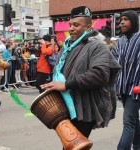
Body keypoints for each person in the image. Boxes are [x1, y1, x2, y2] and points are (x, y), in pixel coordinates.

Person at [40, 5, 121, 147]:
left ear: (89, 27)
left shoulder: (97, 46)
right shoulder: (66, 47)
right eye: (70, 24)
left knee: (74, 146)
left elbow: (100, 74)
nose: (71, 28)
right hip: (66, 106)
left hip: (85, 108)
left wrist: (66, 85)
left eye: (76, 25)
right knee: (70, 146)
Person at [112, 10, 140, 150]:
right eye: (121, 19)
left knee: (128, 121)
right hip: (122, 87)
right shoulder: (120, 41)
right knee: (134, 119)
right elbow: (112, 61)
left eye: (126, 19)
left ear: (134, 21)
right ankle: (138, 145)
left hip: (136, 89)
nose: (122, 22)